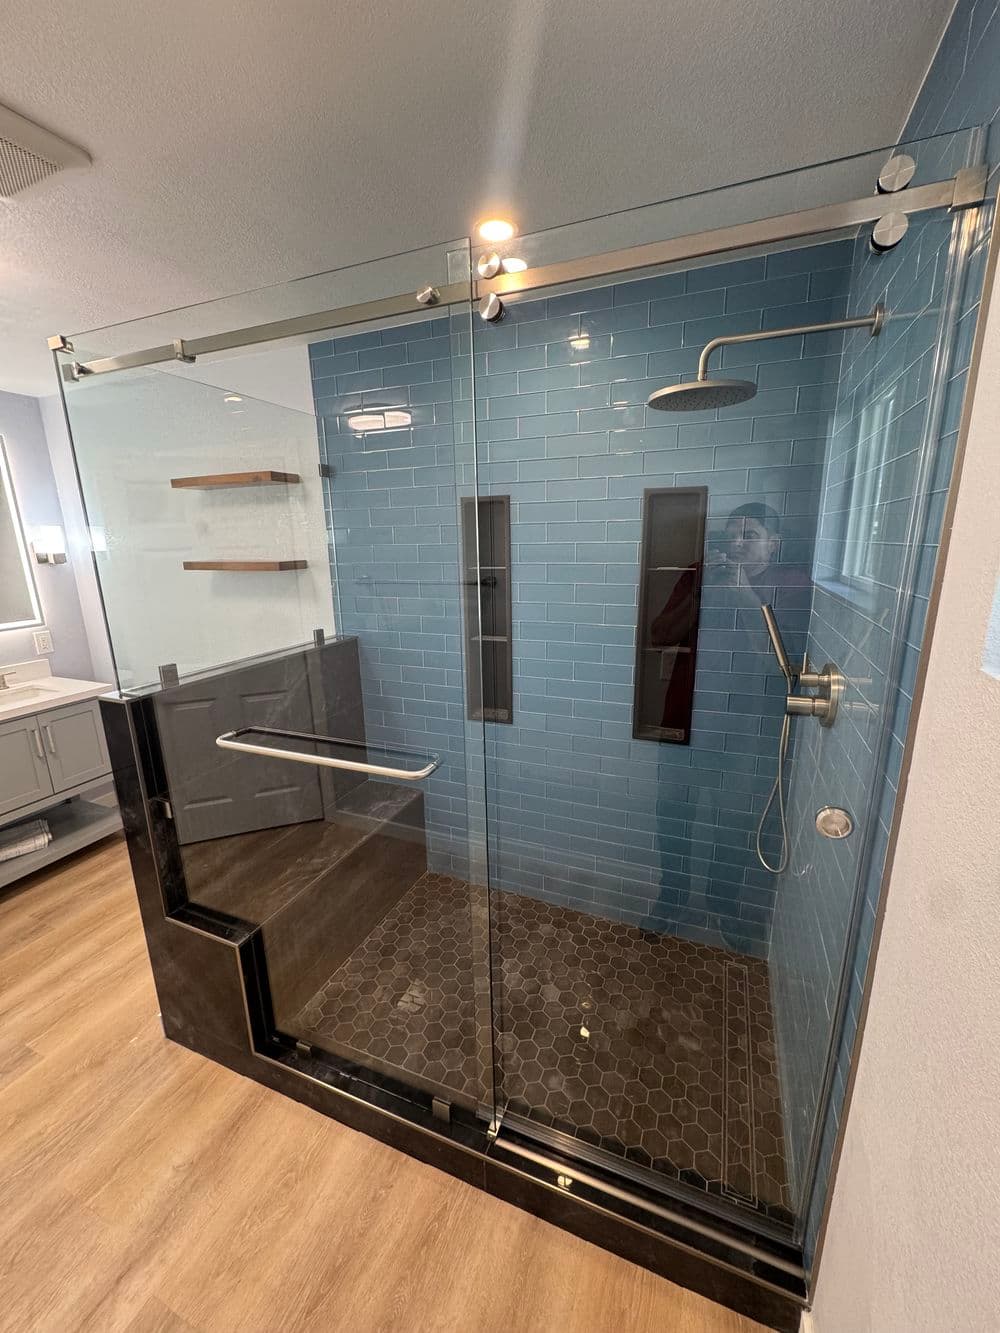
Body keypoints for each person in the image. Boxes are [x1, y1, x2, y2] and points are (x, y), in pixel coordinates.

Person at [707, 502, 811, 602]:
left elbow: (778, 621)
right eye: (730, 536)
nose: (734, 543)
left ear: (773, 543)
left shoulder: (792, 583)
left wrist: (746, 594)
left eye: (749, 536)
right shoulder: (713, 573)